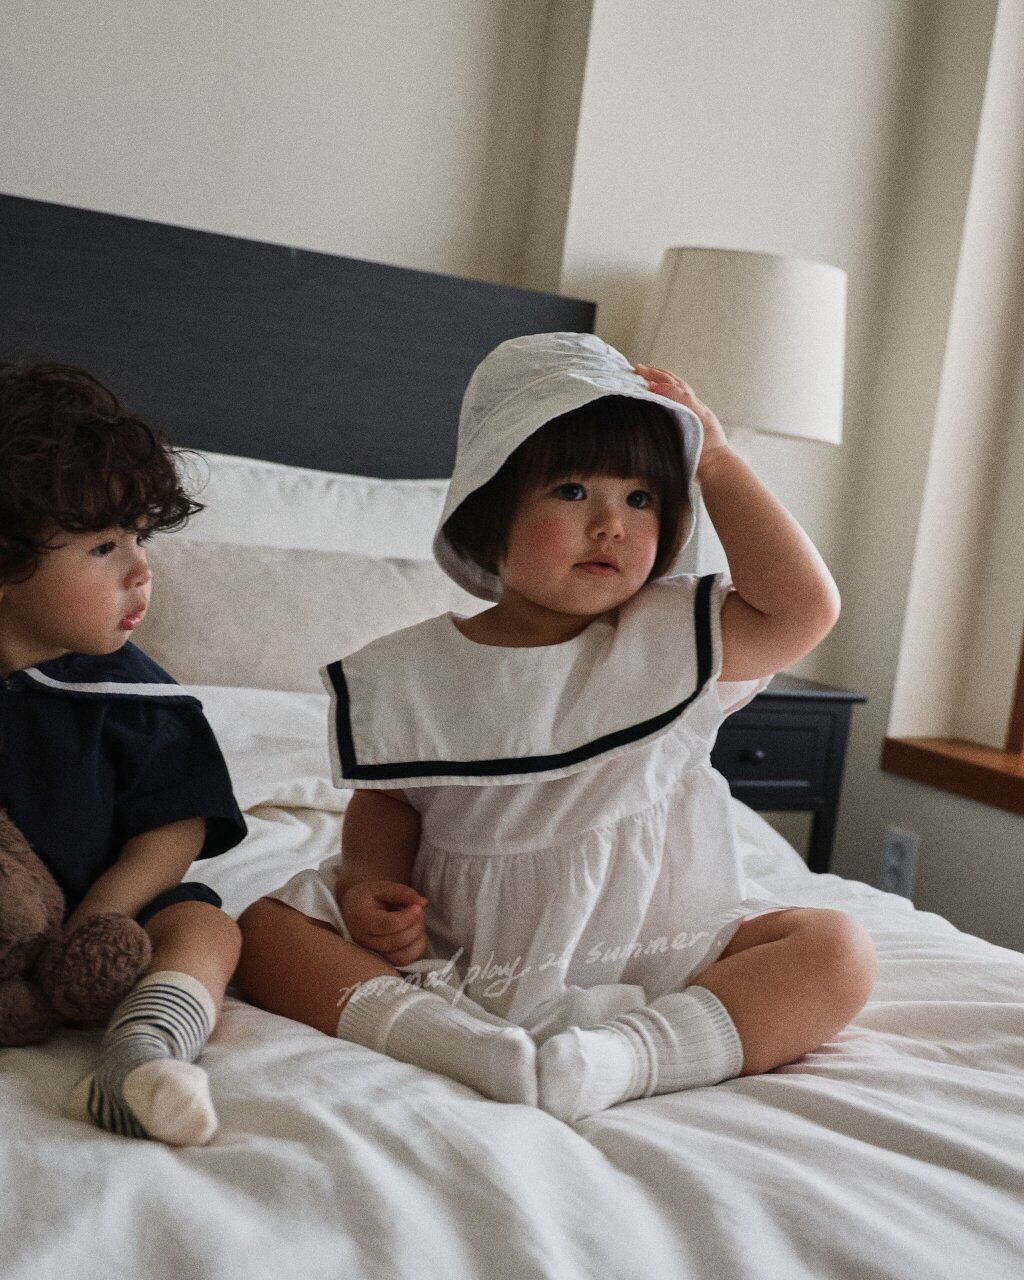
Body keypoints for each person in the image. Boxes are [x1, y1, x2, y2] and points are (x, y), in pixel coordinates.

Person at [235, 332, 876, 1121]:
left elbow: (806, 607)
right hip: (463, 951)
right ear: (492, 511)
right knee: (264, 931)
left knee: (836, 951)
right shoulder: (413, 671)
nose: (611, 523)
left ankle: (626, 1058)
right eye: (573, 491)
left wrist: (715, 461)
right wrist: (369, 883)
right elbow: (393, 800)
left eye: (641, 499)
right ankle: (454, 1045)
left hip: (654, 952)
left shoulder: (676, 637)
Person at [0, 361, 247, 1145]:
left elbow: (174, 829)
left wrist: (102, 916)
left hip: (107, 918)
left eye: (141, 538)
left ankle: (142, 1050)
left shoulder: (138, 699)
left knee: (207, 926)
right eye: (105, 547)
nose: (142, 570)